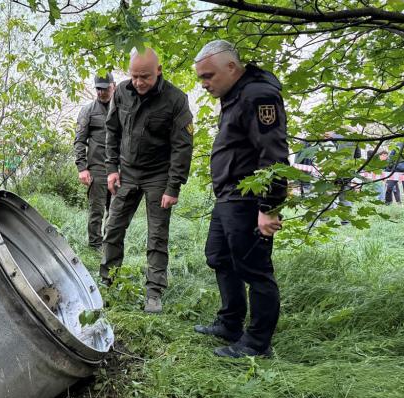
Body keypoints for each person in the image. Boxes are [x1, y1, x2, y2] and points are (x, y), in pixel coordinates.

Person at [193, 40, 289, 358]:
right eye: (201, 78)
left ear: (231, 67)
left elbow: (273, 154)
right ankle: (230, 323)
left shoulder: (258, 95)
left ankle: (257, 344)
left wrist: (269, 207)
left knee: (255, 270)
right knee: (219, 256)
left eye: (209, 76)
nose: (205, 84)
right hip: (229, 196)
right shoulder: (234, 94)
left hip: (249, 199)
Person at [100, 48, 194, 313]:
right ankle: (108, 283)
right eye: (135, 76)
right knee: (113, 228)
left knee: (157, 236)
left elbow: (182, 146)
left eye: (146, 77)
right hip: (127, 173)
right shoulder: (121, 92)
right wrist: (111, 168)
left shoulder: (175, 100)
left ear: (159, 71)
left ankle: (153, 292)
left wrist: (173, 186)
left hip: (158, 176)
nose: (139, 82)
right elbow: (112, 131)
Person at [74, 73, 115, 249]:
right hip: (97, 170)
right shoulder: (88, 111)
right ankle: (95, 246)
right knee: (96, 211)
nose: (101, 92)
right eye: (98, 88)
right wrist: (82, 168)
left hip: (118, 170)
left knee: (115, 213)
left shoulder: (122, 109)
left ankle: (111, 245)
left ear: (113, 86)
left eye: (105, 88)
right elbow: (79, 141)